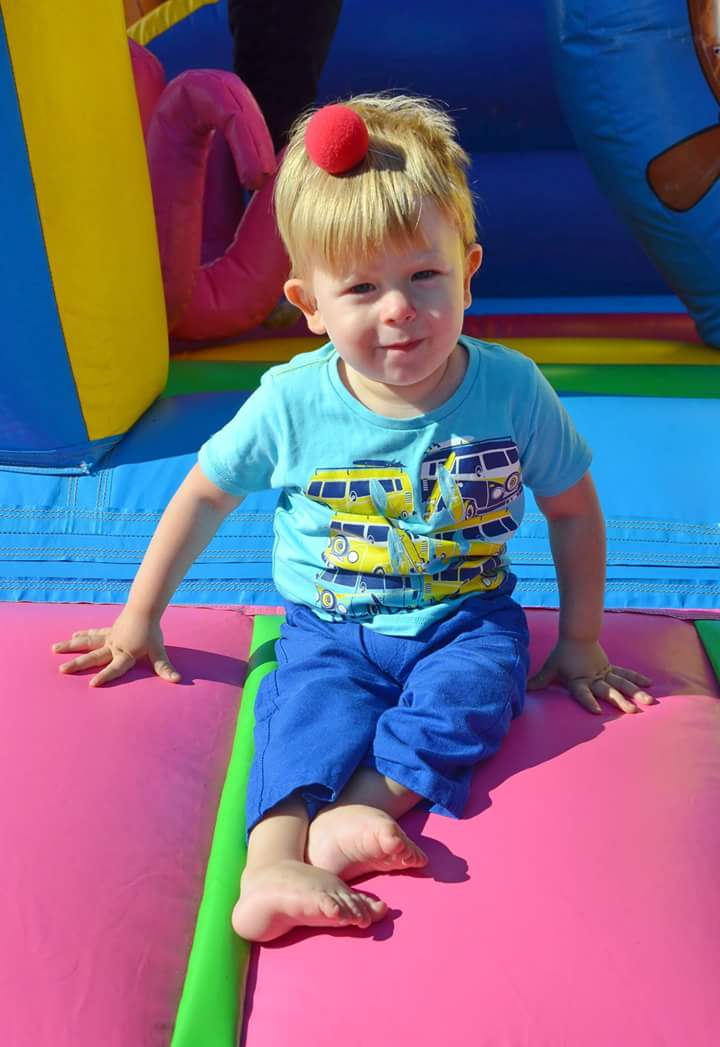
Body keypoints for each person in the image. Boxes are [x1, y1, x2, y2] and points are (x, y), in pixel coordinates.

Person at [53, 94, 654, 943]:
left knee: (479, 692)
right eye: (363, 288)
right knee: (302, 711)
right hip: (329, 625)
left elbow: (573, 509)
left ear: (469, 271)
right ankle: (270, 866)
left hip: (464, 618)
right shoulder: (292, 402)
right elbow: (203, 494)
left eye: (424, 277)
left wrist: (582, 638)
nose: (398, 308)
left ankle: (355, 814)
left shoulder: (511, 390)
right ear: (309, 303)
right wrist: (139, 617)